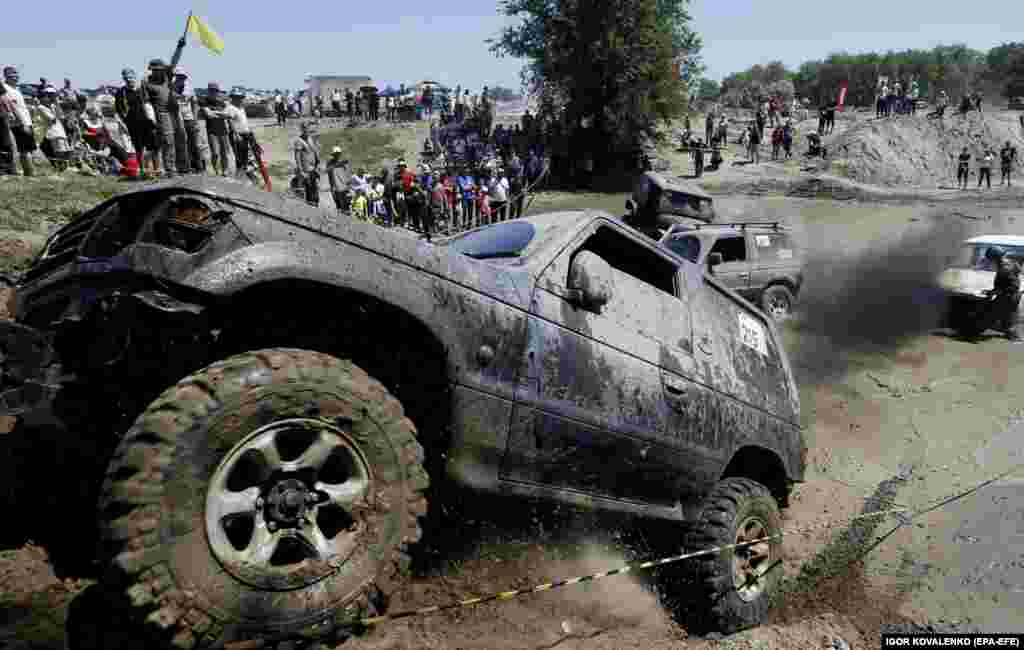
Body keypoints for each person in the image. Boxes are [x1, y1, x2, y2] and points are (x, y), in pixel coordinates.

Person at [143, 59, 178, 177]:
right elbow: (146, 102)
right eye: (156, 70)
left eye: (161, 69)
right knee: (168, 141)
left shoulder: (166, 77)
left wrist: (180, 47)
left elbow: (174, 62)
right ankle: (169, 170)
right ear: (151, 70)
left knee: (174, 141)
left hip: (174, 113)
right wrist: (151, 119)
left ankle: (171, 168)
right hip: (161, 114)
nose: (159, 72)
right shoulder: (146, 83)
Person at [2, 66, 38, 176]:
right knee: (25, 149)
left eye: (17, 75)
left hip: (26, 121)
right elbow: (13, 107)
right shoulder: (6, 88)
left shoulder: (16, 89)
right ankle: (30, 173)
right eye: (12, 76)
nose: (16, 77)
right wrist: (22, 123)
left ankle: (30, 171)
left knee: (29, 149)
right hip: (20, 123)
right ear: (7, 76)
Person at [986, 246, 1021, 340]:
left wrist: (993, 292)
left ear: (994, 257)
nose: (990, 261)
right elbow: (1016, 273)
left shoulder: (1004, 268)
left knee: (992, 312)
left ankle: (1014, 338)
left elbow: (1010, 286)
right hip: (1013, 295)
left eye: (991, 259)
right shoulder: (1012, 263)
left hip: (1009, 295)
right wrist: (994, 291)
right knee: (1009, 317)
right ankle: (1012, 336)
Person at [201, 82, 235, 176]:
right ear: (209, 90)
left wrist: (215, 112)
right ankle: (216, 171)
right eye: (212, 90)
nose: (214, 92)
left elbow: (228, 115)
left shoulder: (222, 101)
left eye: (216, 90)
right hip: (211, 131)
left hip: (223, 130)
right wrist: (221, 113)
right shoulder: (204, 101)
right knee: (215, 153)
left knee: (224, 152)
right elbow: (209, 115)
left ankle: (225, 171)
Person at [35, 86, 71, 171]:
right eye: (49, 96)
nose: (50, 98)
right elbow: (52, 120)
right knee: (59, 153)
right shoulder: (41, 107)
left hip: (60, 132)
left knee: (66, 152)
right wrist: (55, 107)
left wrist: (56, 104)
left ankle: (63, 169)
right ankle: (60, 169)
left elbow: (62, 116)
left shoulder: (53, 106)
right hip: (53, 133)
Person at [225, 90, 255, 180]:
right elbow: (230, 121)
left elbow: (244, 121)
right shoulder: (230, 108)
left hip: (246, 134)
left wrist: (249, 130)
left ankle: (244, 175)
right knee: (239, 157)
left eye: (241, 97)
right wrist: (235, 134)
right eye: (238, 97)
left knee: (245, 156)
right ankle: (239, 176)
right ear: (233, 98)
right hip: (238, 134)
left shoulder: (241, 108)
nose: (241, 99)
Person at [293, 122, 320, 205]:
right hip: (306, 170)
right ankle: (311, 206)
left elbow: (314, 151)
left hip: (313, 169)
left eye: (307, 128)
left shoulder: (310, 138)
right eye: (304, 128)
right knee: (309, 190)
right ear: (301, 129)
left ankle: (316, 204)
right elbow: (297, 157)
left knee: (315, 188)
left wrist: (318, 163)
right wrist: (301, 171)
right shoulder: (299, 141)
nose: (306, 130)